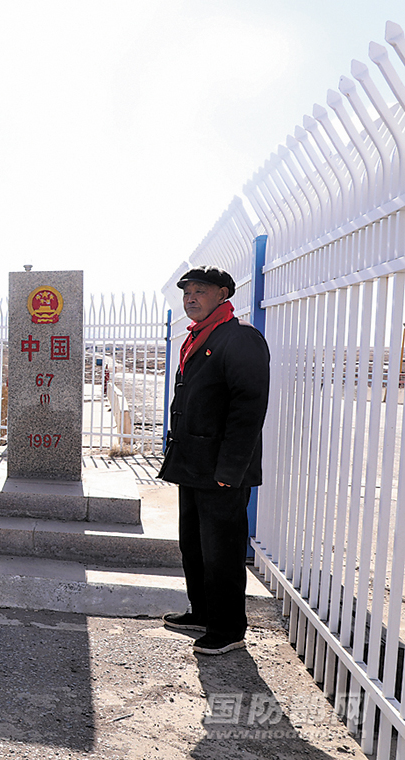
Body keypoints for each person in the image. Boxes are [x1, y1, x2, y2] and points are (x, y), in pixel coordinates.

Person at [158, 266, 269, 656]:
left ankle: (227, 629)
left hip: (221, 470)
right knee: (193, 545)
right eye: (187, 292)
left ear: (223, 294)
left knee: (222, 551)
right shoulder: (199, 336)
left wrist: (231, 469)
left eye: (200, 291)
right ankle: (202, 613)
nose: (190, 298)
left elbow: (248, 408)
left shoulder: (240, 338)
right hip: (193, 464)